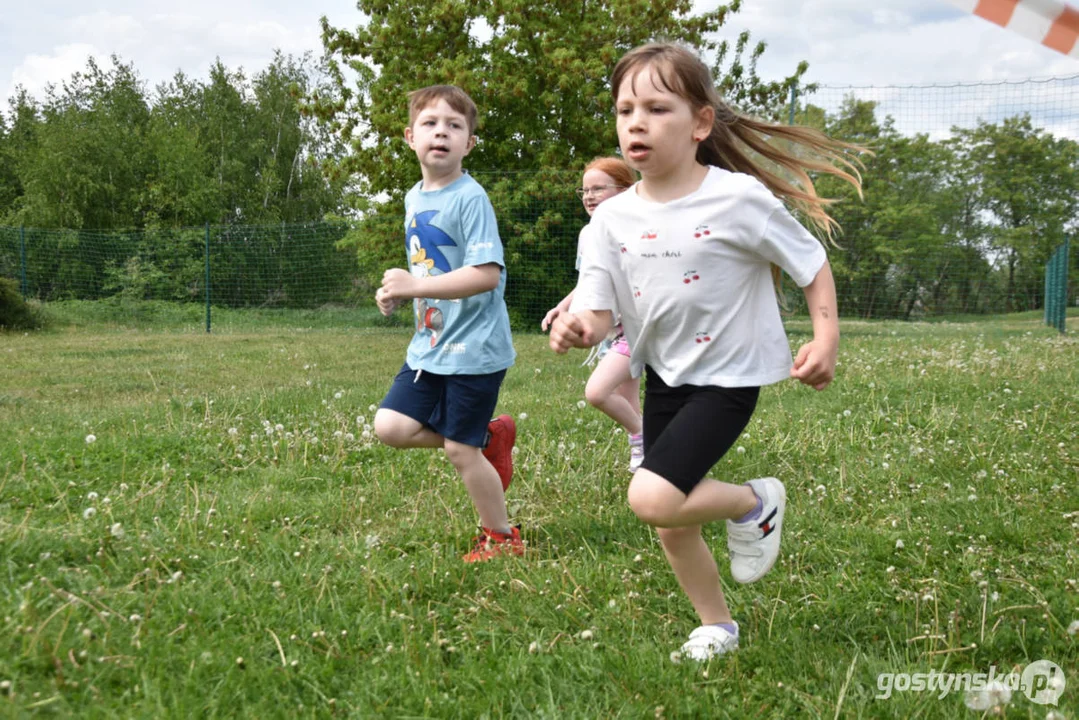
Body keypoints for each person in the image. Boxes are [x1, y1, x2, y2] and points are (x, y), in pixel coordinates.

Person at [549, 43, 864, 660]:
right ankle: (717, 625)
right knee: (671, 521)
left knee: (650, 496)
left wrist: (825, 336)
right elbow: (599, 311)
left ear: (699, 124)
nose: (635, 122)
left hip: (730, 377)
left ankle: (754, 502)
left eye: (657, 108)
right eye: (624, 109)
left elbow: (810, 262)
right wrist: (579, 329)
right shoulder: (607, 222)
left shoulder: (738, 199)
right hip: (667, 373)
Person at [374, 84, 521, 563]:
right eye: (432, 124)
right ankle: (488, 435)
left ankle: (501, 537)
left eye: (455, 126)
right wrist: (395, 292)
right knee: (391, 427)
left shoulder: (470, 197)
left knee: (460, 452)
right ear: (409, 137)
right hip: (431, 343)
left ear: (469, 144)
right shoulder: (413, 197)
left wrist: (412, 287)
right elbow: (427, 268)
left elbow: (485, 275)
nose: (442, 132)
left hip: (474, 349)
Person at [542, 157, 645, 472]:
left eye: (598, 188)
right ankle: (646, 456)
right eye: (584, 190)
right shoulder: (588, 234)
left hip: (637, 330)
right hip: (611, 330)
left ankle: (645, 436)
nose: (589, 196)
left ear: (626, 190)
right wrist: (563, 306)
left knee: (597, 392)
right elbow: (589, 282)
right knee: (626, 397)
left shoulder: (638, 229)